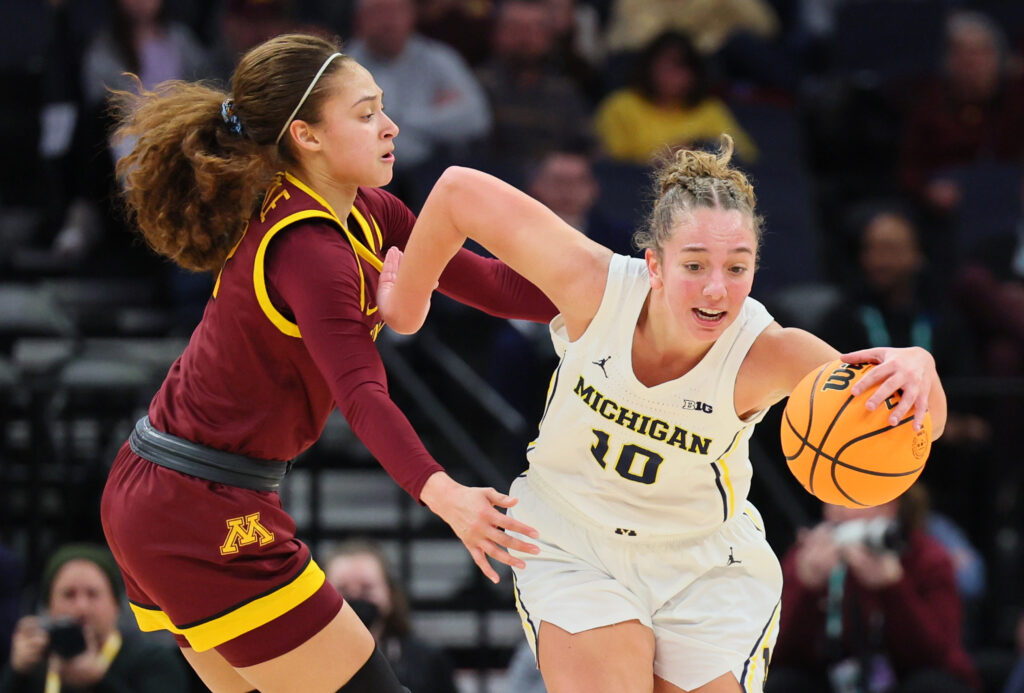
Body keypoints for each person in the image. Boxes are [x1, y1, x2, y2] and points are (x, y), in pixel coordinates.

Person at [377, 135, 947, 692]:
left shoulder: (767, 352)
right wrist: (405, 306)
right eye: (695, 266)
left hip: (703, 563)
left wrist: (920, 366)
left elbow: (916, 426)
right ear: (653, 263)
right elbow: (457, 192)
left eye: (738, 268)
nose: (718, 290)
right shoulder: (595, 286)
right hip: (575, 538)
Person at [99, 33, 551, 693]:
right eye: (366, 114)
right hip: (197, 501)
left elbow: (488, 282)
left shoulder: (365, 210)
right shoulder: (311, 251)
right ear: (307, 136)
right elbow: (362, 393)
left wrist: (625, 298)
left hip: (173, 488)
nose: (391, 126)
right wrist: (446, 494)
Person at [766, 488, 981, 693]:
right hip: (833, 678)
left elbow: (937, 656)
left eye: (851, 500)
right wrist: (806, 588)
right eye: (830, 499)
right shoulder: (809, 558)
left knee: (929, 686)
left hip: (906, 679)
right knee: (782, 684)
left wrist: (893, 587)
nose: (836, 511)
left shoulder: (927, 558)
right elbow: (775, 656)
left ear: (889, 506)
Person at [1, 543, 188, 693]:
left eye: (93, 594)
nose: (81, 607)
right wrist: (16, 671)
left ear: (116, 604)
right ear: (48, 606)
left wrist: (99, 681)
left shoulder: (152, 660)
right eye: (69, 594)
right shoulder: (34, 663)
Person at [594, 31, 758, 166]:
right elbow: (606, 162)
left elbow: (744, 155)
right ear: (649, 68)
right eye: (665, 68)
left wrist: (700, 151)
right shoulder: (621, 106)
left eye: (679, 69)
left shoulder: (709, 109)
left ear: (693, 74)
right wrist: (658, 161)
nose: (671, 77)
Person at [324, 540, 458, 693]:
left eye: (367, 588)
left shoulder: (428, 662)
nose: (355, 597)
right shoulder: (306, 659)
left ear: (389, 593)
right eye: (342, 589)